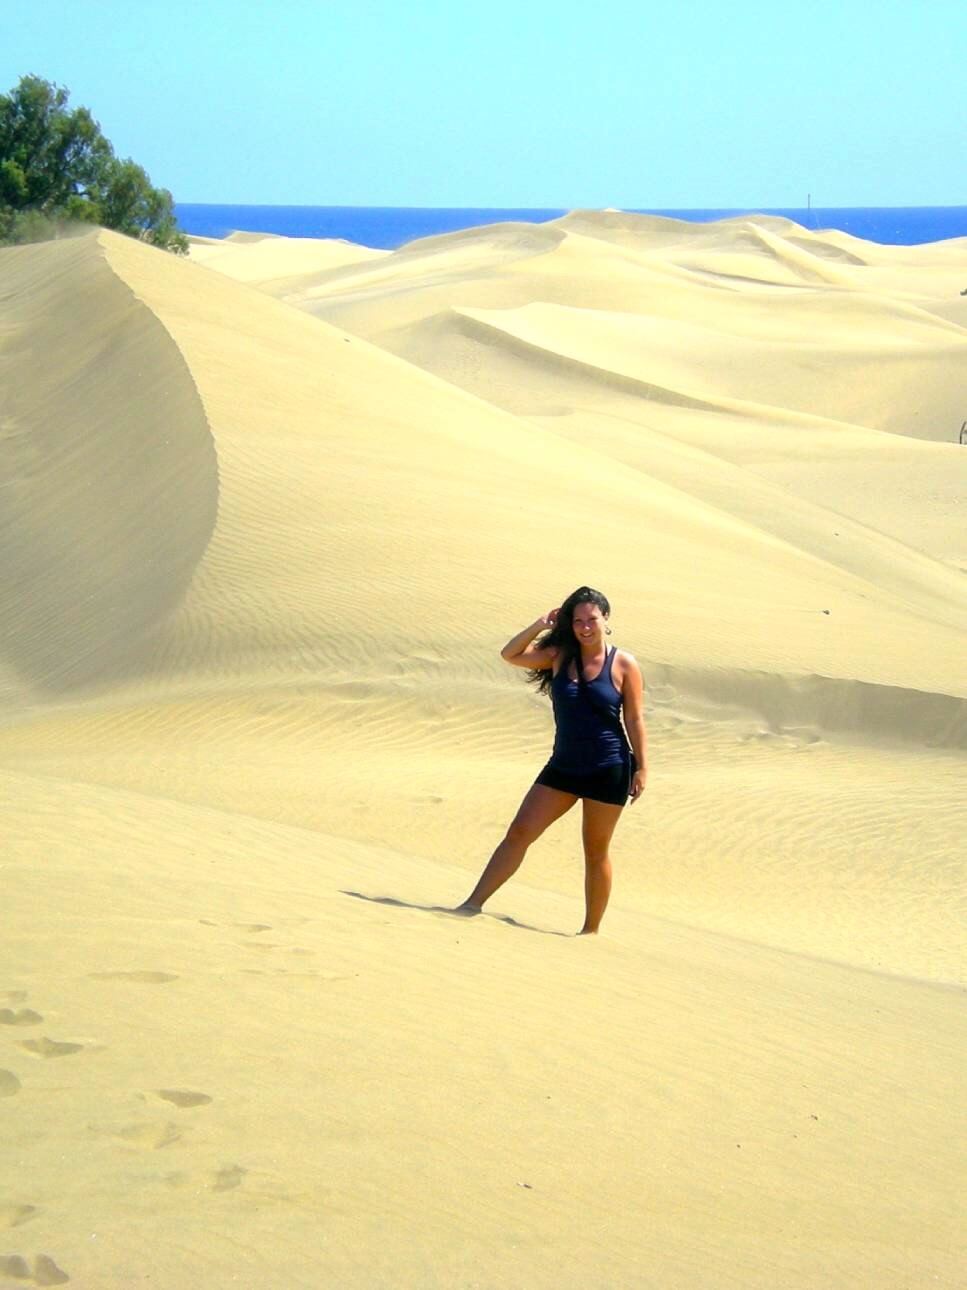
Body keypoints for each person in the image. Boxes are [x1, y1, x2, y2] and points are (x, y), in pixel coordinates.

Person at [457, 586, 647, 934]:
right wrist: (538, 625)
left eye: (592, 619)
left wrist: (643, 768)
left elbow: (634, 718)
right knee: (519, 832)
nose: (585, 627)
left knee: (595, 851)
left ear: (606, 619)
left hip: (610, 767)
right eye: (578, 621)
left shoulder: (624, 664)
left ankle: (590, 931)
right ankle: (472, 904)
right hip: (563, 767)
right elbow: (510, 654)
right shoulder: (559, 654)